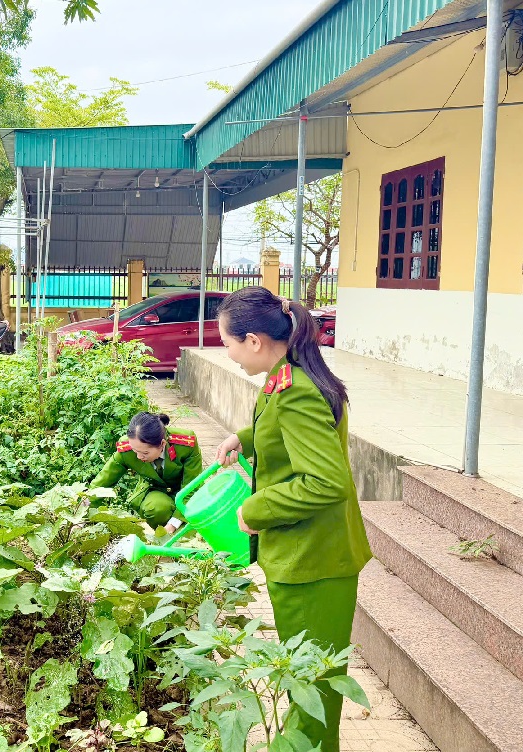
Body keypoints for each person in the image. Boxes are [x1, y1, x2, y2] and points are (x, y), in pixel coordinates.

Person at [213, 286, 372, 752]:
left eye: (228, 342)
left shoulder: (295, 392)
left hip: (313, 562)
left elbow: (327, 481)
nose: (228, 353)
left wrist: (254, 510)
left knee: (312, 689)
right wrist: (246, 438)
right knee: (306, 679)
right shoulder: (288, 378)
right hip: (309, 556)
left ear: (255, 341)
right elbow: (285, 431)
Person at [90, 412, 202, 532]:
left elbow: (192, 487)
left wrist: (173, 524)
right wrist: (82, 513)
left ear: (162, 444)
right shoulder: (126, 449)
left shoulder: (186, 444)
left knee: (192, 530)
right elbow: (102, 482)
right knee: (156, 509)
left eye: (145, 453)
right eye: (135, 451)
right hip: (155, 491)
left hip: (185, 492)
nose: (138, 456)